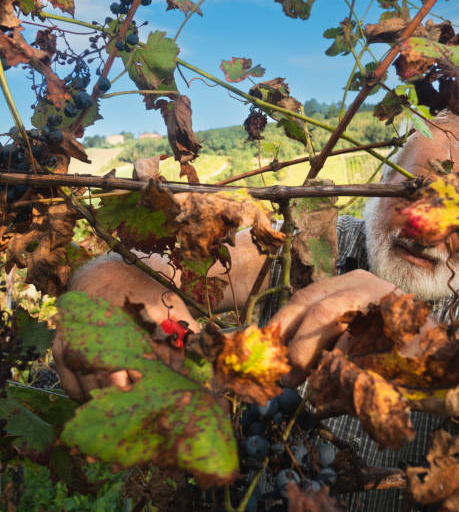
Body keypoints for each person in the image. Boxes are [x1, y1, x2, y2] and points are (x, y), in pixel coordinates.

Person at [53, 110, 459, 511]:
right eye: (414, 191)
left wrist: (424, 347)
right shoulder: (309, 245)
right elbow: (133, 269)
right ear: (383, 180)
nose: (428, 230)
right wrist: (109, 287)